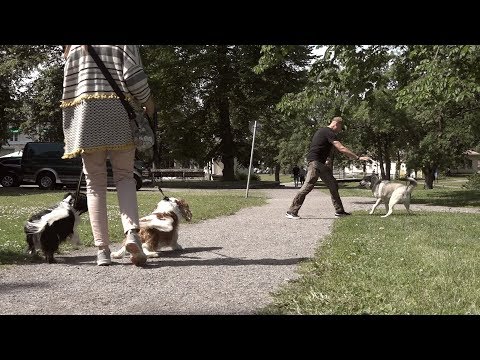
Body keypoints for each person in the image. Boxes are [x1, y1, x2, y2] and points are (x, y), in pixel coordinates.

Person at [61, 45, 155, 266]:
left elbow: (68, 87)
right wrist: (149, 103)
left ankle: (102, 250)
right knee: (124, 177)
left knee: (94, 184)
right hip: (119, 114)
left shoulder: (73, 47)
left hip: (85, 116)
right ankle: (132, 234)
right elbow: (134, 78)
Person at [286, 116, 371, 219]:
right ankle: (291, 211)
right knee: (307, 186)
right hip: (315, 163)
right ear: (336, 124)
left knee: (333, 185)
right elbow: (341, 148)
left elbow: (324, 149)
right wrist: (358, 157)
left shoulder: (324, 132)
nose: (339, 131)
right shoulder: (328, 132)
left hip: (321, 164)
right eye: (340, 128)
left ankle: (339, 211)